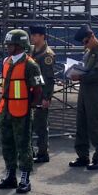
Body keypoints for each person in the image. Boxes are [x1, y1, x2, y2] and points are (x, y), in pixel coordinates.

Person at [0, 29, 44, 194]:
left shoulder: (31, 65)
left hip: (22, 111)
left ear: (20, 45)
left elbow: (38, 89)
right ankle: (10, 176)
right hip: (6, 109)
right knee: (7, 143)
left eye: (11, 44)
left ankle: (25, 179)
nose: (8, 47)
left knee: (23, 145)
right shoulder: (6, 61)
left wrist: (31, 106)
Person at [69, 25, 98, 170]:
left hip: (94, 91)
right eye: (83, 43)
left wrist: (79, 77)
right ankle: (82, 156)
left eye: (86, 42)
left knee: (96, 125)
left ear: (92, 36)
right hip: (84, 91)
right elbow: (84, 68)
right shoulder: (88, 52)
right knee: (81, 123)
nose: (85, 45)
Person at [28, 26, 56, 163]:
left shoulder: (47, 55)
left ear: (42, 36)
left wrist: (46, 97)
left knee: (41, 125)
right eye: (32, 35)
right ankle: (31, 151)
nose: (32, 37)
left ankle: (43, 153)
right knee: (30, 124)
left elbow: (49, 78)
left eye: (35, 35)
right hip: (32, 92)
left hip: (41, 93)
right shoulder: (32, 50)